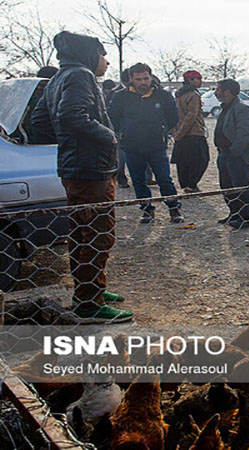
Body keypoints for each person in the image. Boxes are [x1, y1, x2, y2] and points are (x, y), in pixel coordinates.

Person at [31, 31, 133, 323]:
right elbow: (72, 117)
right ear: (90, 55)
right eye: (103, 54)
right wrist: (108, 137)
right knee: (98, 234)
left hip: (73, 167)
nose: (107, 61)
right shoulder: (81, 76)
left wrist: (69, 142)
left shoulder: (57, 78)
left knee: (80, 232)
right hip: (92, 170)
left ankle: (90, 289)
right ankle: (90, 303)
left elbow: (41, 122)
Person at [108, 62, 183, 224]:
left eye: (145, 78)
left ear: (151, 77)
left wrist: (162, 131)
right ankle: (147, 210)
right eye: (138, 79)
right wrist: (122, 133)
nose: (143, 82)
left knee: (164, 178)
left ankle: (173, 208)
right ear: (131, 79)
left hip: (156, 145)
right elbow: (112, 117)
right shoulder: (121, 96)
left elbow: (173, 117)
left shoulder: (162, 95)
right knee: (138, 180)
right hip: (131, 146)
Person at [213, 79, 249, 229]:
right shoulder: (226, 108)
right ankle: (235, 214)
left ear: (227, 91)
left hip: (237, 156)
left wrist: (234, 152)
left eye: (218, 89)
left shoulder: (242, 109)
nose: (215, 92)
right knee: (227, 187)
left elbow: (244, 134)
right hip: (224, 154)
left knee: (241, 188)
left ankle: (247, 218)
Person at [171, 69, 209, 193]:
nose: (200, 82)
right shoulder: (194, 95)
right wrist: (181, 133)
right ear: (190, 80)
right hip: (194, 133)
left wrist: (177, 132)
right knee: (201, 160)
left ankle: (186, 184)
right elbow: (191, 116)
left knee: (184, 161)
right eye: (198, 79)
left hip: (181, 134)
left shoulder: (179, 94)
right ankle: (191, 184)